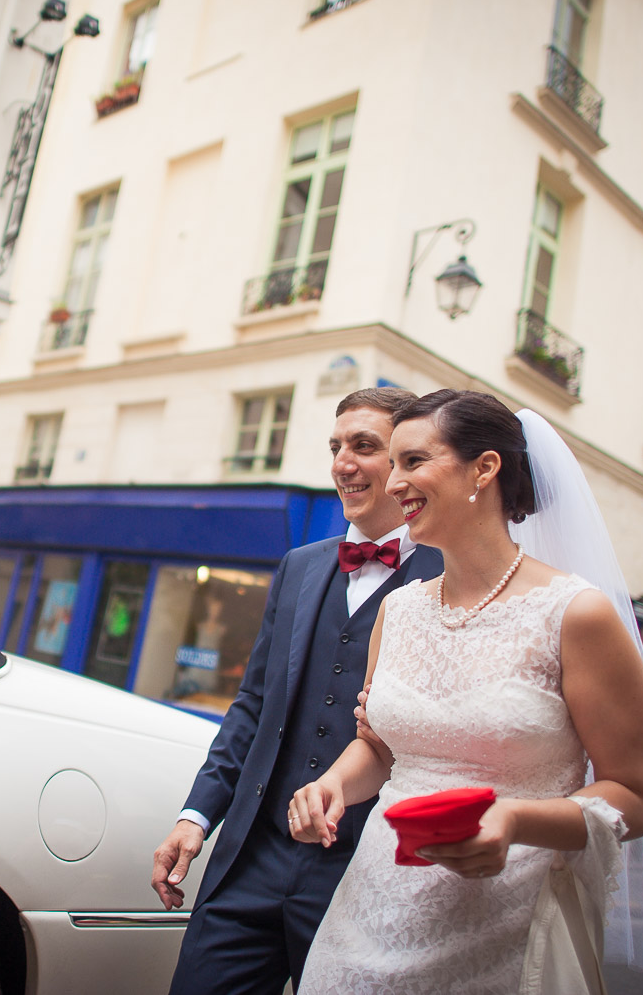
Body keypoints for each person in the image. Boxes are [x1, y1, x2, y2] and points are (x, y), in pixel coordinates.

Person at [288, 390, 643, 994]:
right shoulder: (400, 609)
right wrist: (332, 785)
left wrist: (513, 821)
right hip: (369, 913)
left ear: (484, 469)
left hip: (504, 928)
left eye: (413, 462)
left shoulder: (575, 615)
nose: (393, 484)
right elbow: (381, 751)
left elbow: (635, 797)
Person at [150, 387, 443, 994]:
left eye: (365, 446)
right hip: (252, 856)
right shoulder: (301, 565)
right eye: (336, 447)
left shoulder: (447, 579)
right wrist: (197, 814)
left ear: (407, 463)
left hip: (364, 866)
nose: (343, 463)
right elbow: (253, 705)